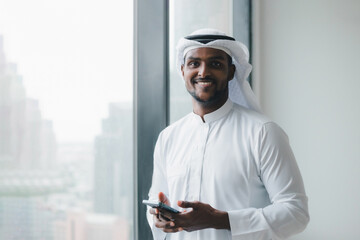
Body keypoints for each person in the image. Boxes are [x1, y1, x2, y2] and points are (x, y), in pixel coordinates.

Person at [146, 28, 309, 240]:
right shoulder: (168, 138)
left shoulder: (262, 132)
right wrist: (158, 219)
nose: (203, 72)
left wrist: (220, 219)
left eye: (215, 64)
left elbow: (296, 213)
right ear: (182, 70)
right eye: (194, 63)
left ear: (231, 72)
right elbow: (156, 200)